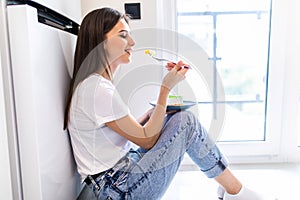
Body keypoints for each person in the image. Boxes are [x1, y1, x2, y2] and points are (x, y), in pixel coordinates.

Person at [64, 7, 267, 200]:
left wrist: (158, 111)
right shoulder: (97, 88)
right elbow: (146, 140)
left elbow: (131, 132)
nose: (132, 42)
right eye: (124, 35)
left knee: (177, 118)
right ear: (101, 41)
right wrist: (165, 89)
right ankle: (235, 191)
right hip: (117, 190)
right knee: (185, 123)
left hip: (116, 180)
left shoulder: (93, 84)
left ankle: (229, 188)